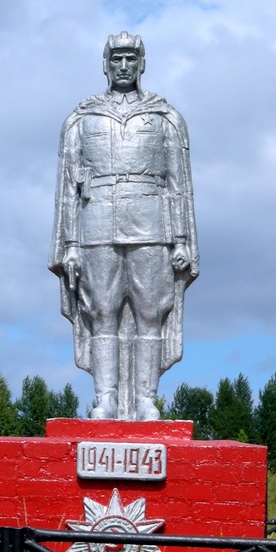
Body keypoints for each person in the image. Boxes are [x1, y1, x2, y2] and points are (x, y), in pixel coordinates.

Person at [49, 32, 199, 420]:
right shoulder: (81, 119)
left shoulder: (164, 117)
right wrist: (69, 244)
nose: (123, 66)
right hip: (96, 224)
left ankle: (146, 399)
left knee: (150, 311)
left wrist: (181, 240)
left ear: (142, 63)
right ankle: (106, 398)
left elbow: (178, 185)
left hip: (152, 226)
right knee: (103, 312)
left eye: (131, 58)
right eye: (116, 59)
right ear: (105, 64)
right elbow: (67, 189)